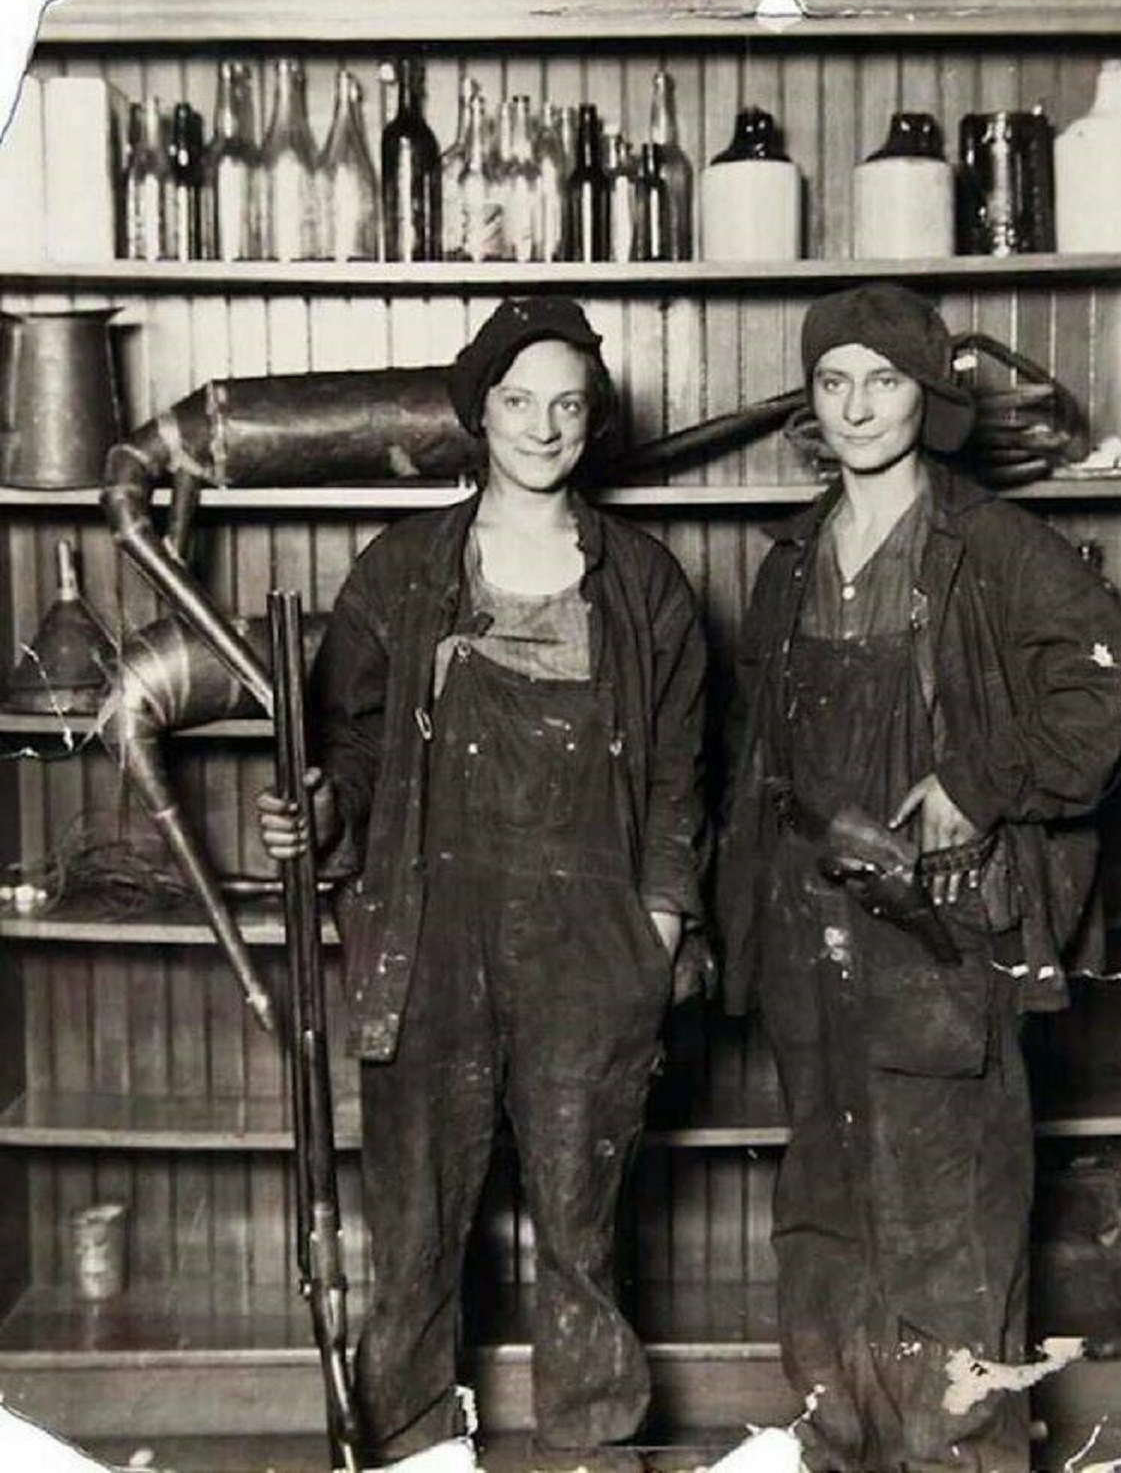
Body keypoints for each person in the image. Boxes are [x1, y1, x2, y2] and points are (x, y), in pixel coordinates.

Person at [258, 296, 708, 1473]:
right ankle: (413, 1449)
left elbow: (676, 783)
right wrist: (321, 810)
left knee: (583, 1229)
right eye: (519, 402)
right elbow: (348, 751)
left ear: (593, 422)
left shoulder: (647, 587)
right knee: (415, 1226)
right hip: (428, 930)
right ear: (480, 414)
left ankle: (595, 1447)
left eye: (568, 405)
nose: (543, 427)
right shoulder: (402, 572)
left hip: (590, 945)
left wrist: (656, 930)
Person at [719, 284, 1121, 1473]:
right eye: (834, 382)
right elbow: (757, 768)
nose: (858, 406)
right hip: (814, 939)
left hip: (944, 934)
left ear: (929, 395)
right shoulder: (791, 559)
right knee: (826, 1217)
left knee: (946, 1225)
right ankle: (838, 1447)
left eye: (886, 379)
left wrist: (978, 782)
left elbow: (1115, 689)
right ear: (811, 404)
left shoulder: (995, 548)